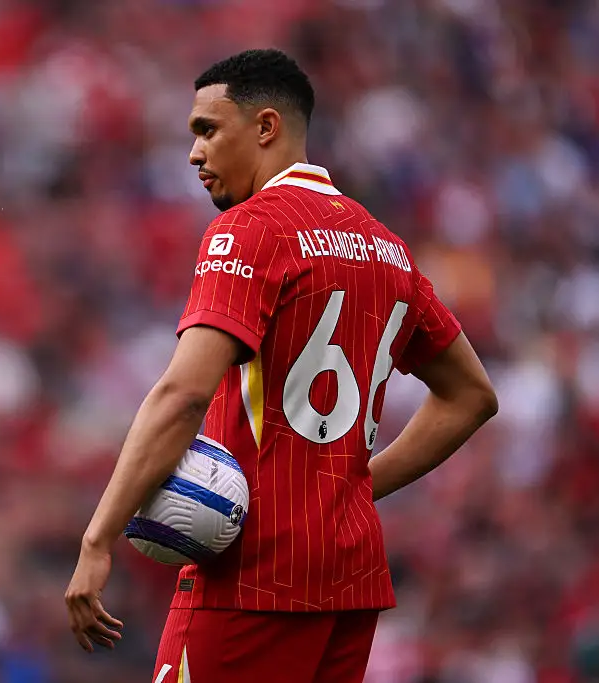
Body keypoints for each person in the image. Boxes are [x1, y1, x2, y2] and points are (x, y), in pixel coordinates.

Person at [64, 48, 498, 682]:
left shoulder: (250, 230)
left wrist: (97, 539)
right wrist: (353, 488)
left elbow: (183, 395)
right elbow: (471, 395)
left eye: (208, 130)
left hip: (254, 576)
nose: (194, 154)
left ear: (265, 126)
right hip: (348, 580)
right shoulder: (386, 248)